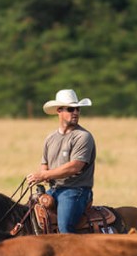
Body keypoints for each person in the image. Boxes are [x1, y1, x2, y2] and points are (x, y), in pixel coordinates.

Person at [26, 89, 96, 233]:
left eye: (78, 109)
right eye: (71, 109)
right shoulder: (50, 138)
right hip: (54, 190)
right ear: (59, 111)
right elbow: (44, 165)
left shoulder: (83, 137)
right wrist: (40, 176)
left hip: (75, 190)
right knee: (28, 216)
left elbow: (74, 167)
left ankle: (73, 254)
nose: (75, 112)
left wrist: (44, 176)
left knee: (65, 228)